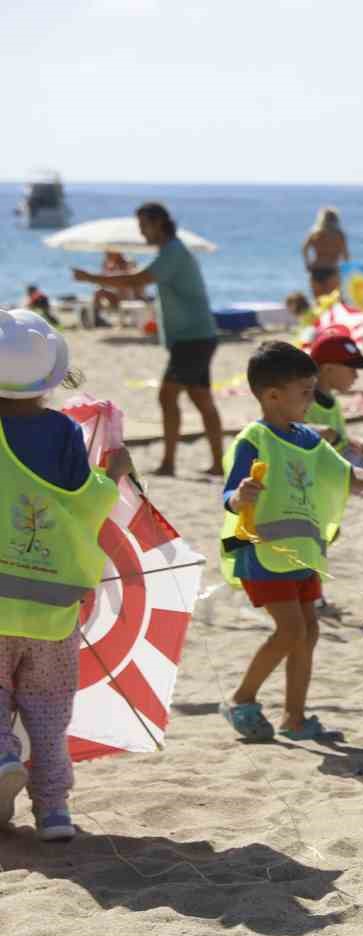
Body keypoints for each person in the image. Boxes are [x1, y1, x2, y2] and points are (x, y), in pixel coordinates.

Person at [217, 342, 363, 741]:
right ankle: (242, 698)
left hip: (303, 554)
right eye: (304, 392)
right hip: (264, 553)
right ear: (272, 396)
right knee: (289, 631)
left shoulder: (308, 440)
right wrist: (239, 497)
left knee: (309, 631)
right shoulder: (254, 439)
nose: (311, 401)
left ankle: (295, 717)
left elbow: (346, 476)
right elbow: (230, 493)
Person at [0, 310, 133, 843]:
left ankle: (3, 757)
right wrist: (114, 475)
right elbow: (85, 503)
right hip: (53, 605)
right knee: (49, 715)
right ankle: (53, 812)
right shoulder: (60, 431)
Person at [73, 202, 223, 477]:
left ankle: (169, 463)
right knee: (200, 399)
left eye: (144, 226)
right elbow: (142, 278)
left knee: (168, 396)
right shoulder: (172, 251)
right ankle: (215, 462)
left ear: (158, 223)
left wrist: (90, 277)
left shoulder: (173, 251)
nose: (142, 233)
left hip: (193, 338)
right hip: (198, 336)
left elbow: (139, 278)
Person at [304, 324, 363, 458]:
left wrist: (354, 441)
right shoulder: (303, 404)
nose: (356, 376)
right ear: (328, 369)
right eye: (352, 369)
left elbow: (338, 438)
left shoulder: (332, 400)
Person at [302, 207, 349, 299]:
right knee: (333, 304)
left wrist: (307, 263)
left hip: (316, 269)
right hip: (332, 269)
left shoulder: (315, 233)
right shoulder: (339, 235)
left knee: (319, 303)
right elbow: (345, 255)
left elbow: (304, 249)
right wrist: (346, 270)